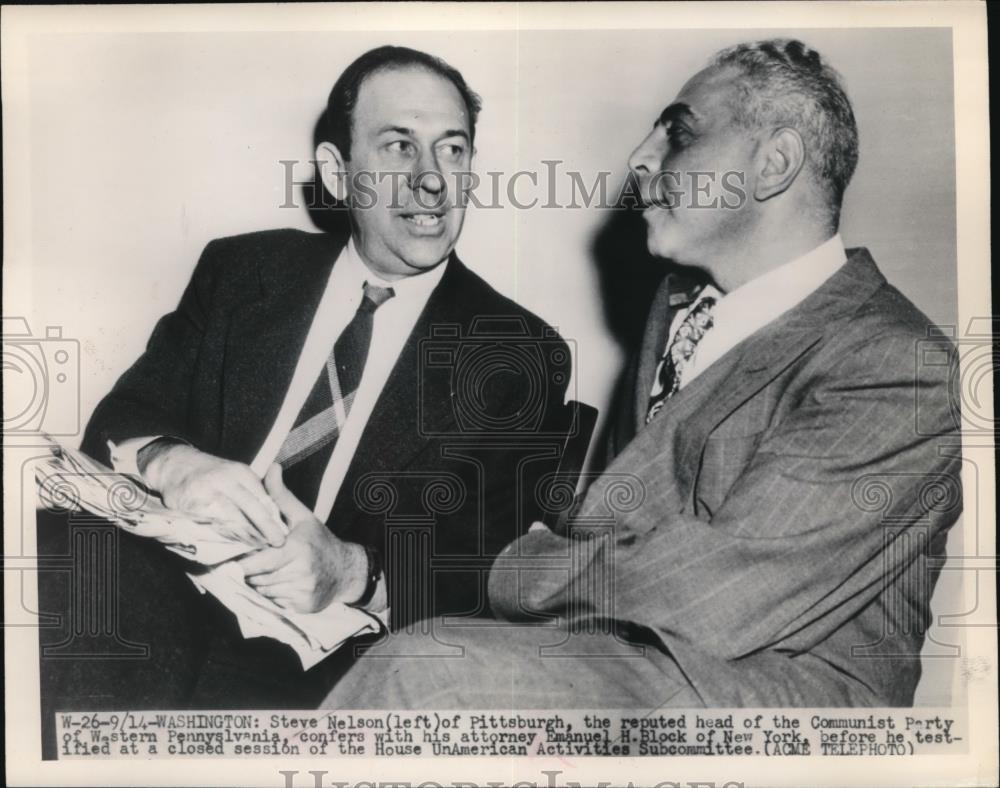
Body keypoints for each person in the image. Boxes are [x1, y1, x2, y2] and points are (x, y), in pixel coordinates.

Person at [322, 38, 963, 710]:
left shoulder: (896, 366)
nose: (640, 158)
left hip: (781, 703)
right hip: (628, 651)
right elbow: (622, 522)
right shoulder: (678, 308)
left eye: (679, 133)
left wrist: (519, 567)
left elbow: (720, 590)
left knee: (420, 672)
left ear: (775, 163)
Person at [40, 46, 570, 717]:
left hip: (313, 657)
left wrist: (352, 570)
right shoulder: (241, 272)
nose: (433, 180)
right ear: (337, 171)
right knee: (68, 569)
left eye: (453, 149)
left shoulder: (518, 352)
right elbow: (127, 412)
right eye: (399, 146)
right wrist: (174, 461)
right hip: (156, 585)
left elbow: (486, 571)